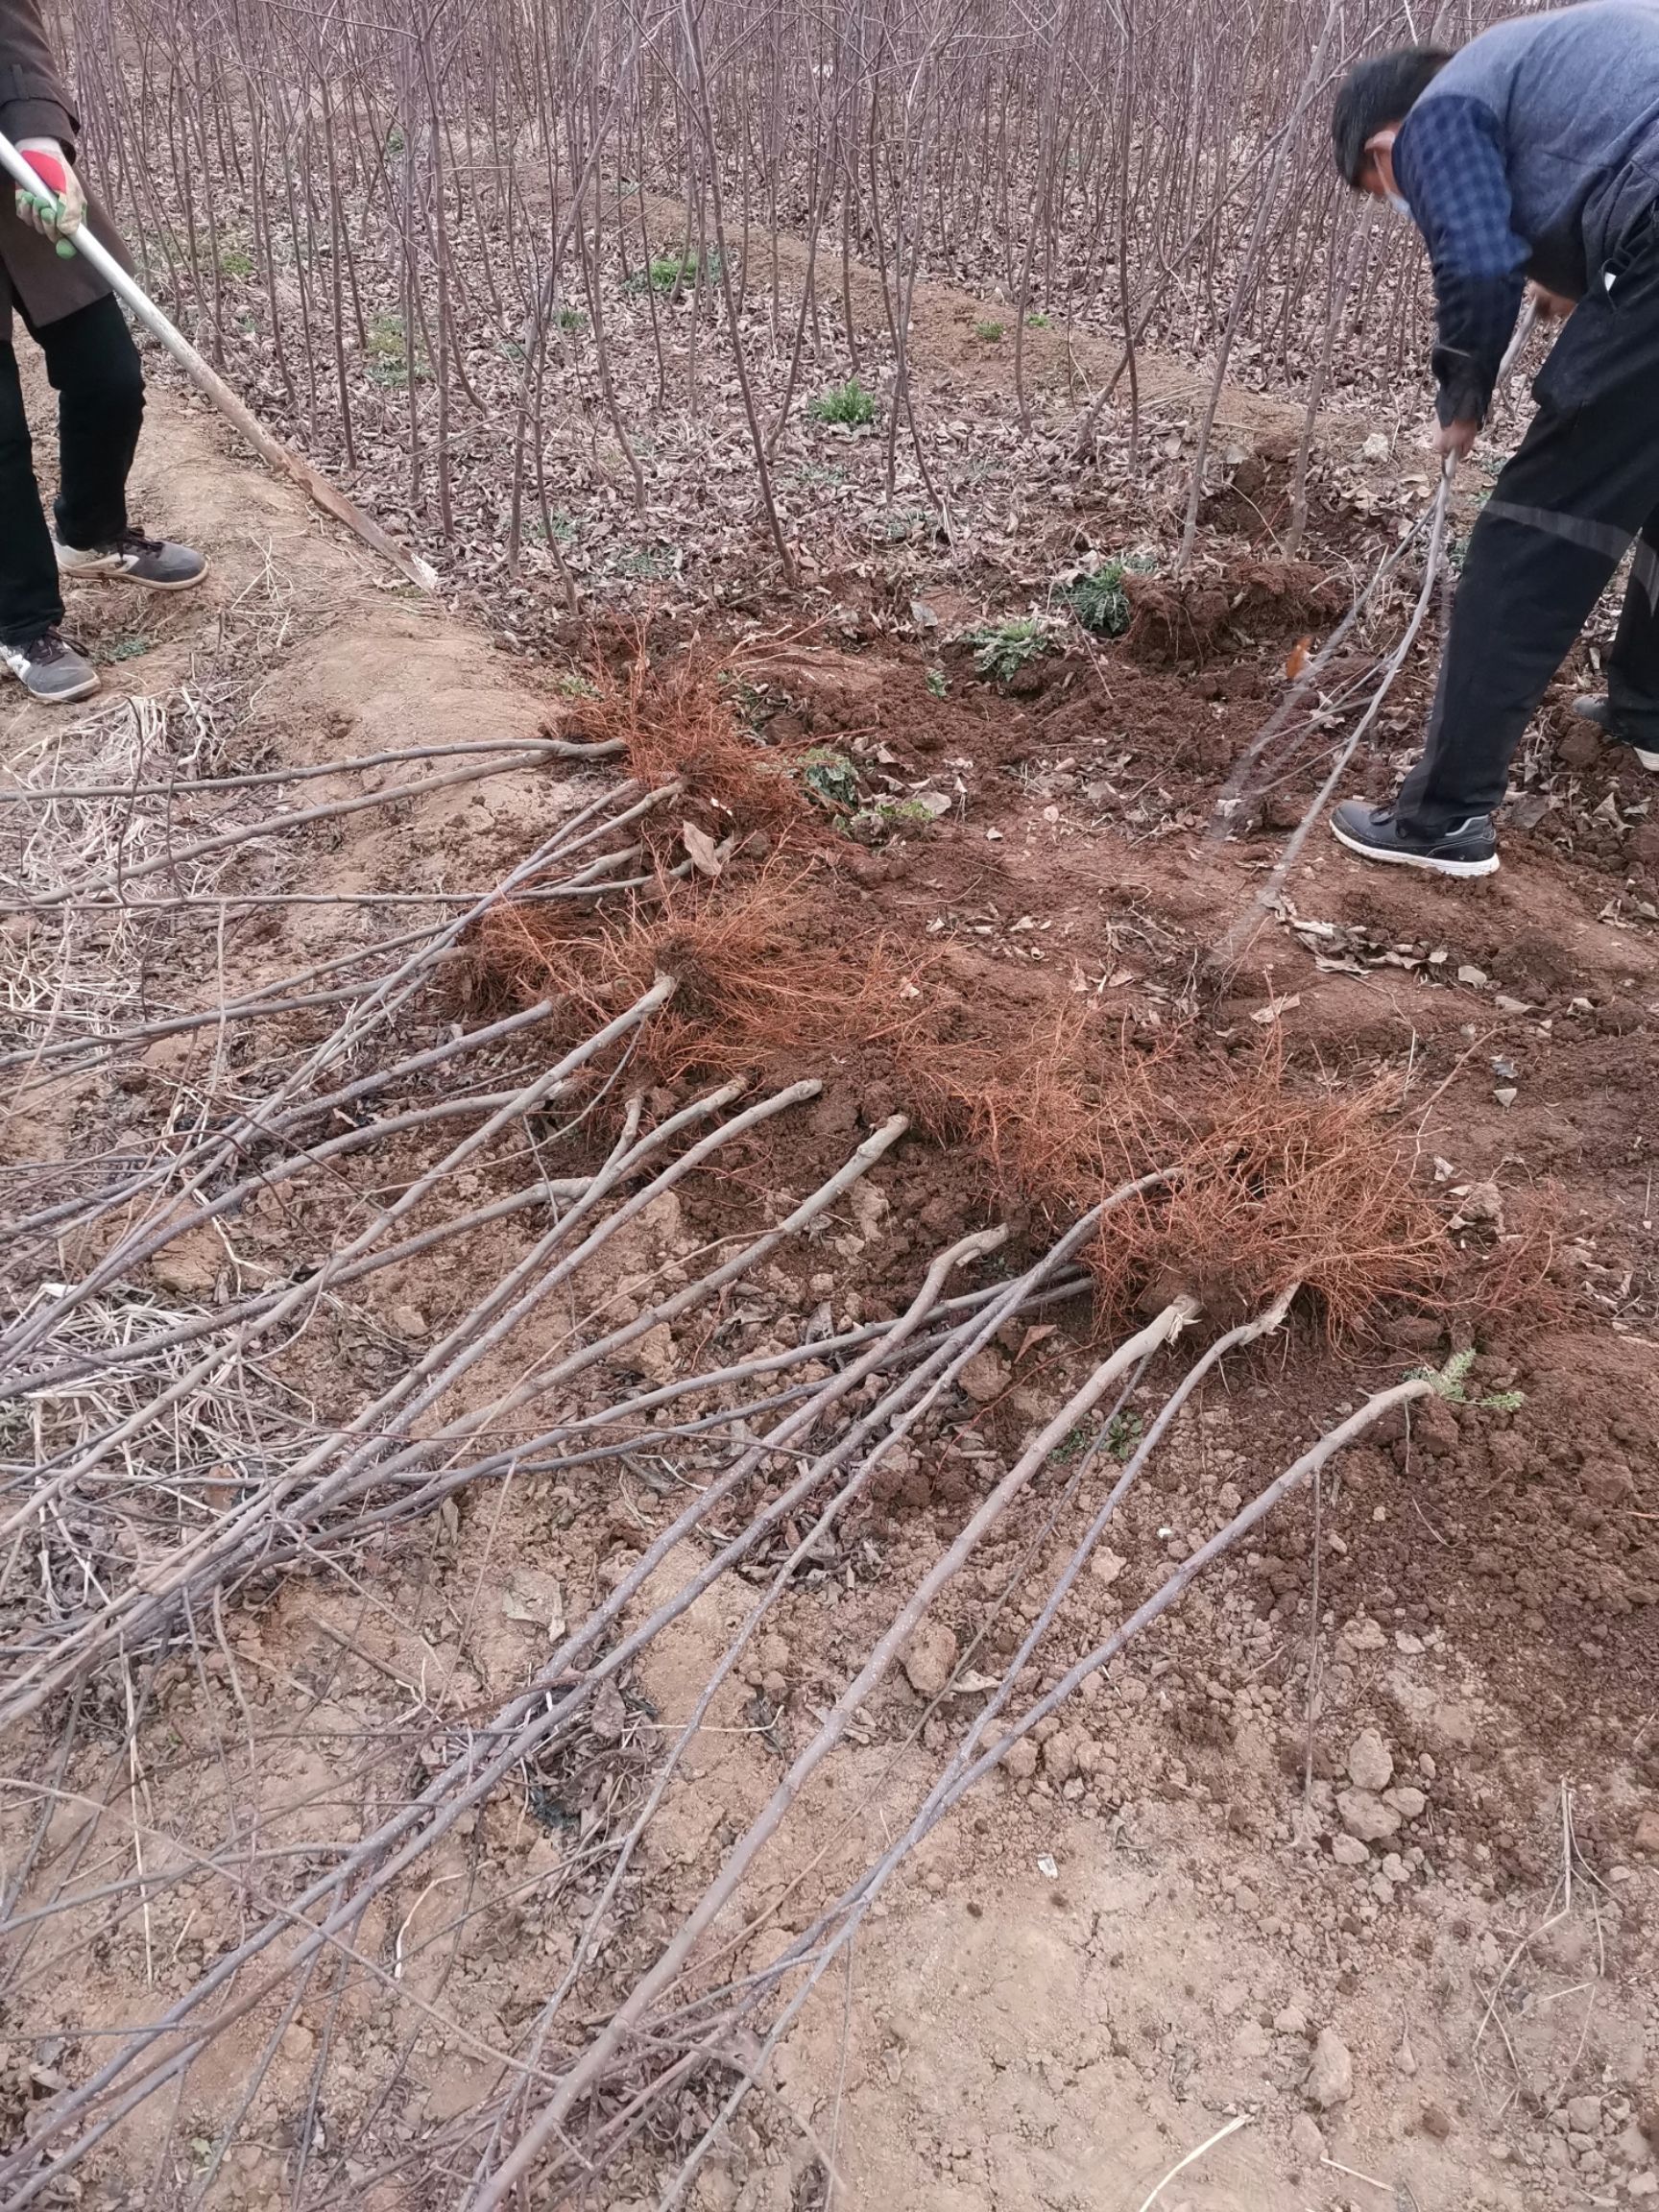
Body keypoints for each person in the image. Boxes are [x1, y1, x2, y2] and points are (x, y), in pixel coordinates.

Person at [1328, 4, 1659, 878]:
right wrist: (1572, 280)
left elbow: (1477, 258)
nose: (1404, 202)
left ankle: (1443, 818)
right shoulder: (1547, 76)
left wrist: (1462, 391)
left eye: (1384, 195)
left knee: (1531, 531)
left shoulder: (1438, 115)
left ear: (1383, 151)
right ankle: (1649, 713)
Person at [0, 0, 204, 706]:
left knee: (109, 376)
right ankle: (22, 623)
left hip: (20, 204)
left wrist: (41, 147)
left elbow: (14, 40)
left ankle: (90, 533)